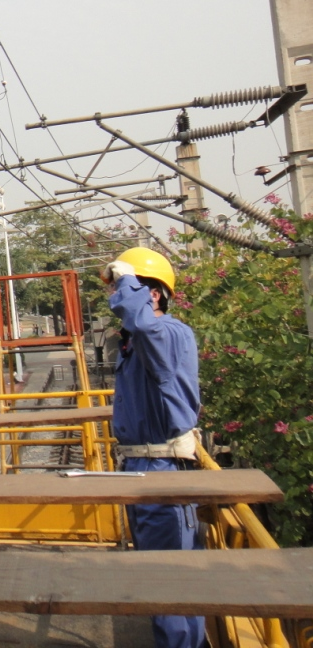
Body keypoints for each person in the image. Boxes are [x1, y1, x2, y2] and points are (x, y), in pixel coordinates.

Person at [102, 247, 207, 648]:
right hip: (141, 471)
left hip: (163, 473)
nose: (114, 296)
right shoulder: (137, 342)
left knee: (171, 584)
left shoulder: (168, 334)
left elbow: (146, 326)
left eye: (122, 288)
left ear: (154, 294)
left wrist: (127, 278)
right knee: (159, 580)